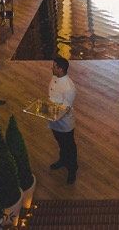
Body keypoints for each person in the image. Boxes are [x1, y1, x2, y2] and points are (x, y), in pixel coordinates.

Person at [48, 56, 77, 184]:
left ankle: (72, 168)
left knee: (69, 146)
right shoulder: (55, 77)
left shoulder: (69, 88)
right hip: (54, 119)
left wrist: (50, 114)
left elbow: (65, 108)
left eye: (54, 66)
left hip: (64, 123)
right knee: (61, 143)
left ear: (60, 69)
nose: (52, 68)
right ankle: (63, 160)